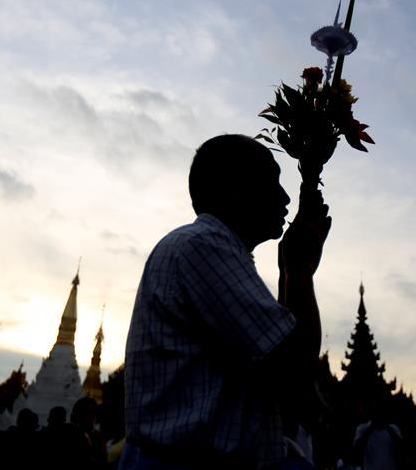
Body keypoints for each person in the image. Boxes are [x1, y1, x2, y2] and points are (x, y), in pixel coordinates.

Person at [122, 134, 331, 470]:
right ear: (235, 190)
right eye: (272, 182)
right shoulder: (204, 245)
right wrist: (300, 271)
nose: (285, 197)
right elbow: (293, 368)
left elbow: (277, 367)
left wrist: (289, 273)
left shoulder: (217, 252)